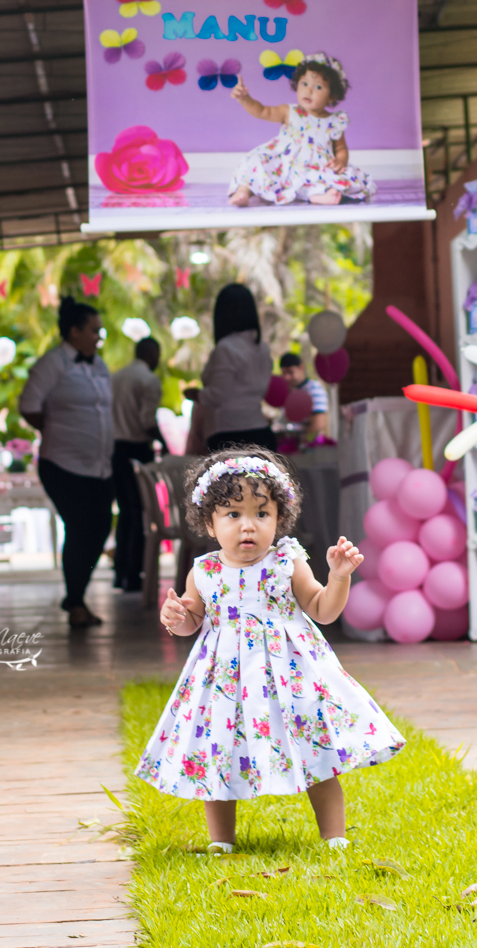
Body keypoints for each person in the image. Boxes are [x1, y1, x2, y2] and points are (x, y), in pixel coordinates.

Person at [135, 448, 405, 852]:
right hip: (225, 678)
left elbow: (323, 610)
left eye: (262, 514)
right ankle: (221, 839)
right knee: (219, 747)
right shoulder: (204, 570)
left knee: (315, 744)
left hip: (290, 672)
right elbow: (192, 619)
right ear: (209, 522)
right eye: (233, 515)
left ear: (279, 520)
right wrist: (176, 615)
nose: (249, 526)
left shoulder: (288, 561)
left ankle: (334, 835)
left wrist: (339, 578)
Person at [19, 297, 113, 629]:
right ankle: (75, 602)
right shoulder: (53, 363)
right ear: (73, 332)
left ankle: (76, 596)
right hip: (63, 463)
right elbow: (28, 405)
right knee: (78, 529)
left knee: (101, 526)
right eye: (93, 331)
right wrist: (58, 429)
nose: (98, 337)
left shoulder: (98, 365)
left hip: (99, 465)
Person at [227, 53, 376, 208]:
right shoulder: (289, 111)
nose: (308, 91)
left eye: (318, 87)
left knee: (333, 177)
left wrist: (340, 161)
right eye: (304, 83)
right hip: (283, 164)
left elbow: (340, 148)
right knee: (256, 161)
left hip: (315, 167)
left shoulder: (334, 122)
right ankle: (244, 192)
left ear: (332, 96)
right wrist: (245, 99)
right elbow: (262, 111)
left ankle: (318, 195)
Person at [185, 283, 274, 452]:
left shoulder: (226, 348)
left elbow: (218, 395)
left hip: (230, 435)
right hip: (259, 430)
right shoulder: (262, 348)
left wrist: (196, 395)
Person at [111, 336, 164, 593]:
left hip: (114, 449)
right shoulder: (149, 380)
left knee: (125, 511)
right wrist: (163, 442)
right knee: (141, 512)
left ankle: (120, 571)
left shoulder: (115, 377)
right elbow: (146, 420)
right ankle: (134, 574)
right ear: (152, 354)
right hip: (137, 450)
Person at [280, 352, 330, 438]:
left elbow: (319, 424)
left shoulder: (314, 389)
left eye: (291, 372)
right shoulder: (287, 391)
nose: (287, 377)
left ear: (301, 368)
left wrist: (304, 443)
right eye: (284, 373)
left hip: (308, 446)